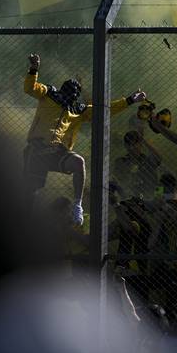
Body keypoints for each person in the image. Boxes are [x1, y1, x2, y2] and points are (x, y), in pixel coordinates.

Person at [22, 52, 146, 224]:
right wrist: (34, 68)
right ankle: (23, 222)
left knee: (78, 162)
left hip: (57, 151)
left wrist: (130, 100)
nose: (70, 95)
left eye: (74, 93)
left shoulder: (78, 110)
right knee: (30, 192)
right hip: (38, 149)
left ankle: (77, 206)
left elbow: (104, 110)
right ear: (62, 89)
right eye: (68, 90)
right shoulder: (49, 93)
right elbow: (30, 88)